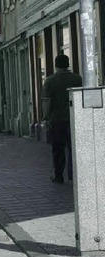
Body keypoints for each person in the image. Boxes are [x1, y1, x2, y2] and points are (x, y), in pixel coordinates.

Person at [42, 54, 83, 184]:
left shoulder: (50, 80)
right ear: (68, 64)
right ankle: (74, 174)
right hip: (74, 118)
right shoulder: (78, 79)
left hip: (57, 119)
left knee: (58, 148)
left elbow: (47, 101)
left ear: (56, 65)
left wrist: (45, 117)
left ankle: (58, 175)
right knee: (74, 147)